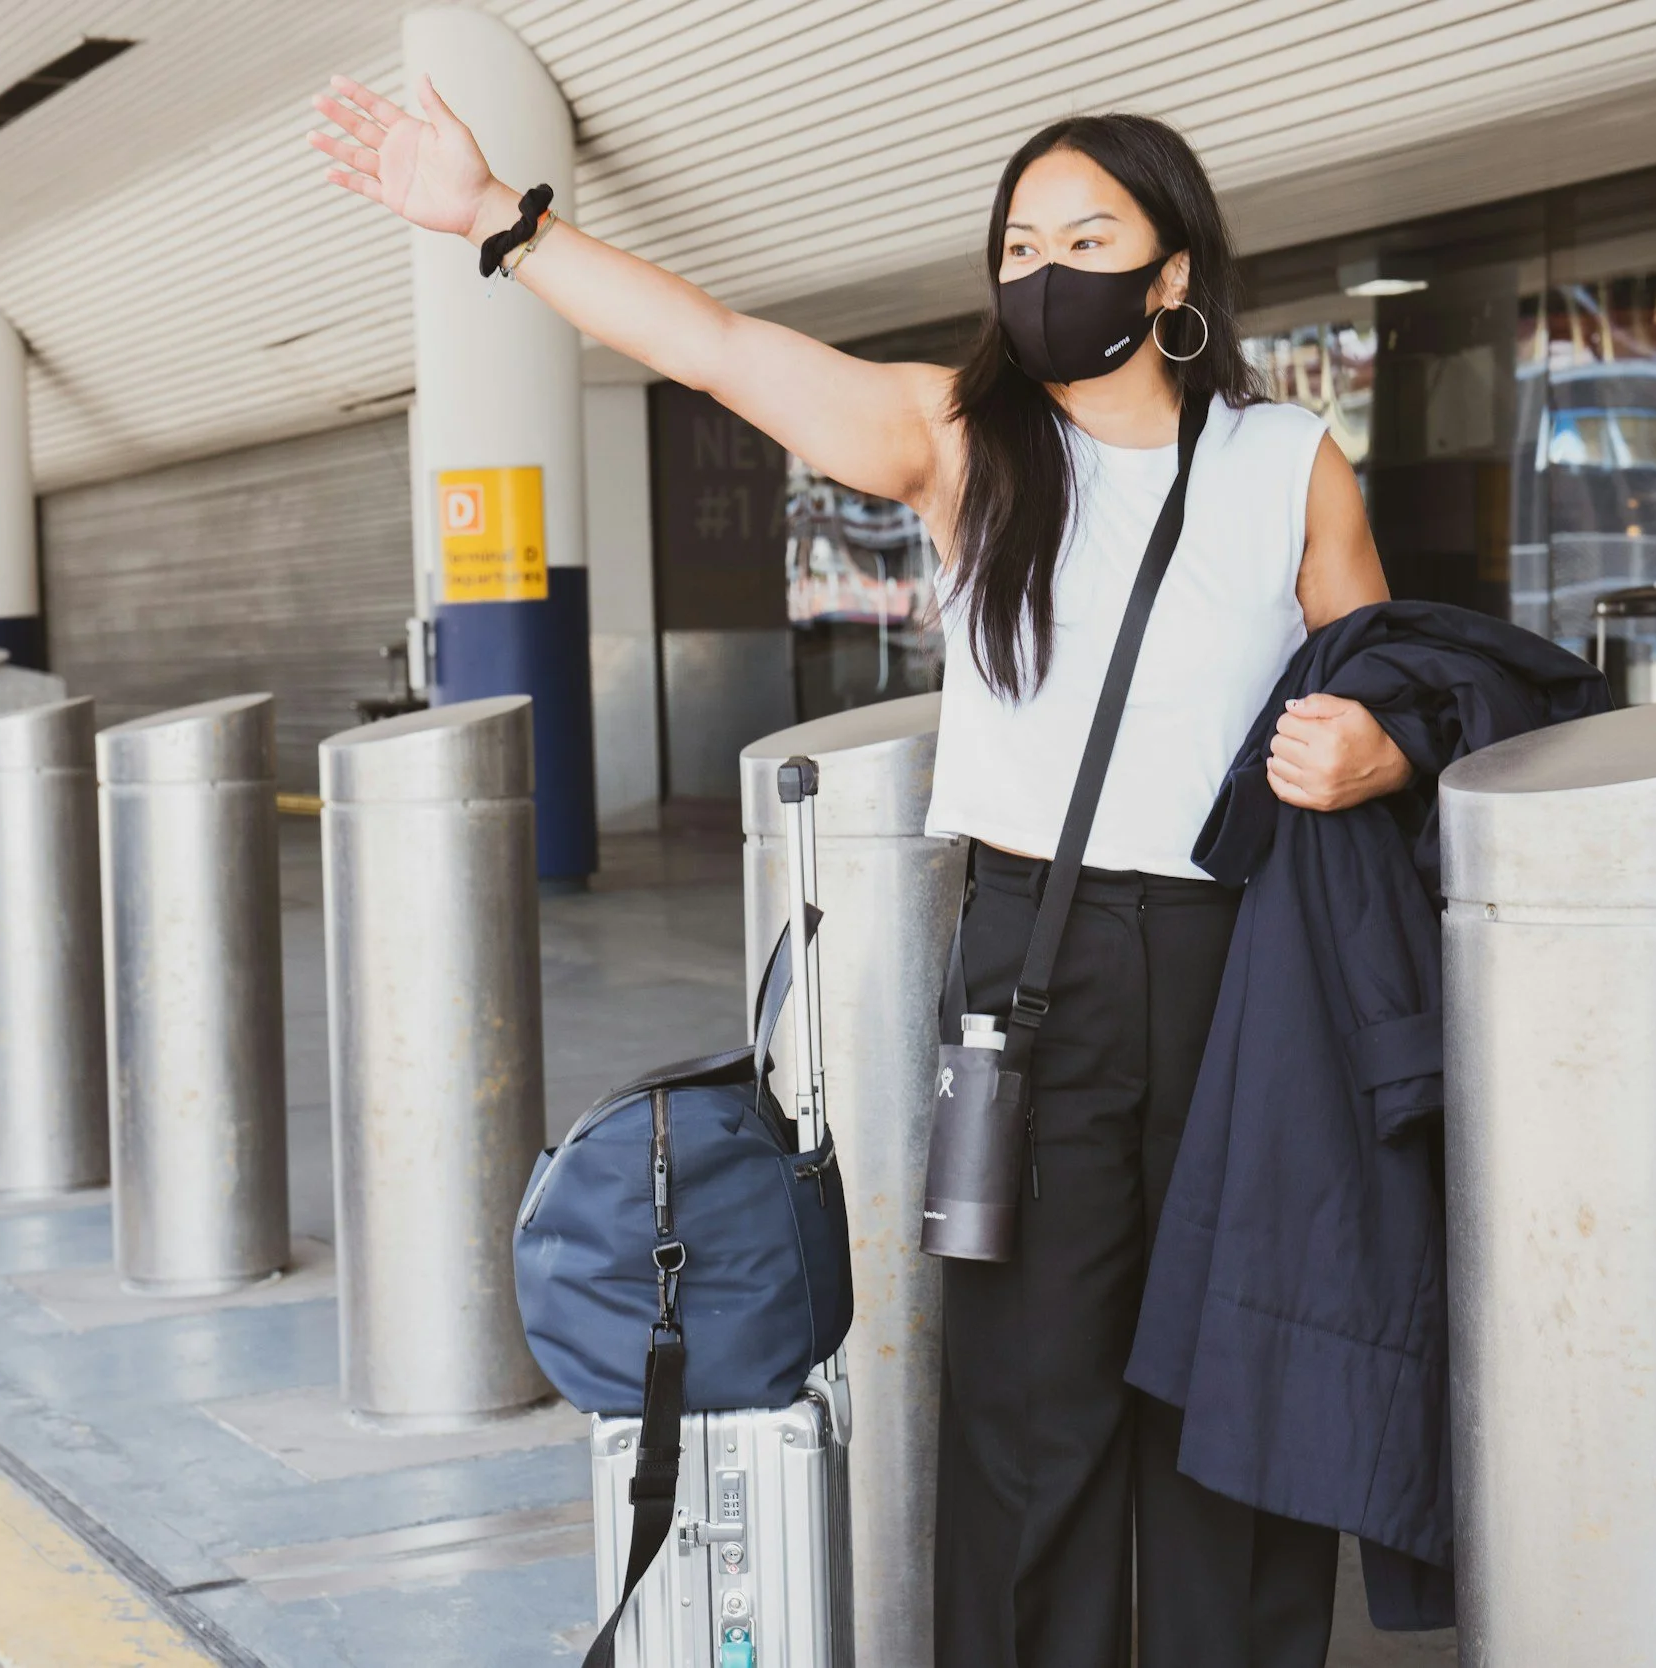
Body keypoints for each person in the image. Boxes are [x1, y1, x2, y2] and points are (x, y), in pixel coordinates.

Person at [313, 81, 1411, 1668]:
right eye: (1021, 242)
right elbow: (719, 349)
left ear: (1175, 274)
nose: (1048, 267)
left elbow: (1378, 679)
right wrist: (502, 219)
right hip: (1045, 963)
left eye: (1090, 236)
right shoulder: (966, 443)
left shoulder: (1287, 459)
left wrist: (1368, 751)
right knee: (1036, 1405)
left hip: (1255, 965)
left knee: (1244, 1390)